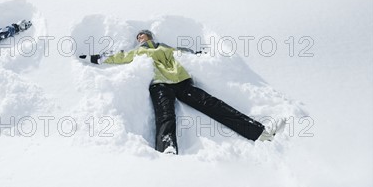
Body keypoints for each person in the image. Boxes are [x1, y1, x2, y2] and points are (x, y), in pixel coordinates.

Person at [81, 29, 284, 154]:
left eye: (142, 35)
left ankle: (259, 132)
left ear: (149, 36)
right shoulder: (137, 51)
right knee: (166, 115)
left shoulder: (165, 47)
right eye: (138, 36)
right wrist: (95, 57)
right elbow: (119, 56)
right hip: (159, 84)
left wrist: (200, 53)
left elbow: (184, 52)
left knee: (213, 104)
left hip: (181, 82)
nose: (140, 37)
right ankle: (167, 148)